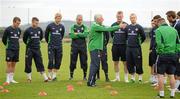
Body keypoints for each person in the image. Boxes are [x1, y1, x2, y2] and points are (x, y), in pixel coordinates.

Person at [87, 14, 126, 87]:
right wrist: (119, 26)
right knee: (95, 65)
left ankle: (92, 81)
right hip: (94, 47)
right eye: (102, 18)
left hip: (96, 48)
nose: (103, 19)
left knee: (95, 65)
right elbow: (108, 29)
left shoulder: (98, 26)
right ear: (98, 19)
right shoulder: (95, 26)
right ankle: (90, 82)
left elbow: (107, 28)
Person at [155, 18, 179, 98]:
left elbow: (159, 43)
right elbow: (178, 42)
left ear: (159, 23)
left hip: (163, 55)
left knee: (160, 75)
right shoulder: (174, 30)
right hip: (173, 55)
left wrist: (160, 51)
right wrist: (175, 51)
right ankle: (172, 94)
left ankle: (161, 94)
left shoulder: (158, 30)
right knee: (171, 75)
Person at [23, 17, 48, 82]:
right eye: (36, 23)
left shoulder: (39, 29)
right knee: (28, 63)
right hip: (29, 49)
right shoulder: (28, 30)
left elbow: (41, 37)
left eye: (37, 23)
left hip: (37, 49)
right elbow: (24, 39)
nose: (37, 24)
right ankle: (29, 78)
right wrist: (29, 45)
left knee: (40, 62)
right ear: (32, 22)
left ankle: (45, 78)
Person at [125, 13, 146, 83]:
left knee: (138, 62)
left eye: (133, 18)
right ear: (130, 19)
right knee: (129, 62)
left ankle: (140, 78)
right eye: (131, 18)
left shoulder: (139, 27)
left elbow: (144, 37)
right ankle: (132, 78)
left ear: (136, 18)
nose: (132, 19)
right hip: (129, 48)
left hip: (136, 48)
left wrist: (139, 43)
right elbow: (125, 36)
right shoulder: (127, 27)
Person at [45, 13, 65, 81]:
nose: (58, 19)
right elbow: (46, 36)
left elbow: (61, 36)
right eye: (57, 17)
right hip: (51, 46)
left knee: (58, 61)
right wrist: (49, 42)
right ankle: (49, 75)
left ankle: (54, 75)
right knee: (51, 60)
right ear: (55, 18)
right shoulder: (50, 26)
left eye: (60, 18)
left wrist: (58, 42)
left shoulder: (62, 26)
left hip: (59, 46)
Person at [2, 17, 21, 85]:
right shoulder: (8, 29)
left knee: (13, 64)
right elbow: (4, 39)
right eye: (17, 23)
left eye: (19, 23)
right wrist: (8, 46)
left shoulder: (19, 30)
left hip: (16, 49)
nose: (18, 25)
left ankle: (11, 79)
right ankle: (7, 80)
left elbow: (18, 38)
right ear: (13, 22)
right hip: (9, 49)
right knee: (9, 64)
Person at [69, 14, 89, 80]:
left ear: (82, 20)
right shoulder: (73, 26)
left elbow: (85, 35)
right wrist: (81, 34)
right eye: (78, 19)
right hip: (74, 47)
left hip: (83, 47)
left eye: (81, 19)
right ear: (76, 19)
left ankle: (85, 76)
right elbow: (72, 36)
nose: (79, 20)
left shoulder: (85, 27)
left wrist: (77, 34)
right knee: (72, 61)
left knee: (84, 61)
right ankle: (71, 76)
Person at [111, 11, 129, 82]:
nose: (119, 18)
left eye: (120, 16)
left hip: (124, 46)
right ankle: (117, 77)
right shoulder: (113, 25)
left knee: (125, 62)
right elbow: (112, 35)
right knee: (116, 62)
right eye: (118, 16)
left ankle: (126, 78)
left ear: (122, 17)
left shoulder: (126, 25)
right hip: (115, 46)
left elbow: (128, 35)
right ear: (116, 16)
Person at [166, 11, 180, 92]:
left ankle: (177, 87)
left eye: (168, 17)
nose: (167, 19)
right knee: (175, 67)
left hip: (177, 49)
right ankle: (175, 85)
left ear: (171, 17)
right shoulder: (173, 24)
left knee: (177, 67)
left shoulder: (177, 25)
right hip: (174, 49)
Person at [149, 15, 161, 85]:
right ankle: (156, 79)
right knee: (154, 63)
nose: (154, 22)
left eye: (156, 21)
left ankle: (162, 79)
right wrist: (151, 48)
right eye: (154, 21)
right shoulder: (153, 29)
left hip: (159, 49)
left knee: (160, 64)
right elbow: (152, 40)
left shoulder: (161, 28)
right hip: (153, 49)